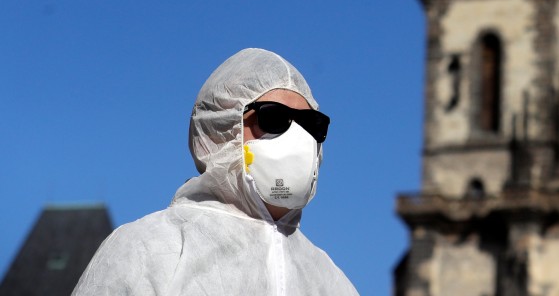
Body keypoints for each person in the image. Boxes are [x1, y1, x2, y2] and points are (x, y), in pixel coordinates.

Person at [72, 48, 360, 295]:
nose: (297, 138)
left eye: (311, 125)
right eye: (274, 118)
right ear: (220, 129)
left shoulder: (332, 282)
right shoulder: (146, 248)